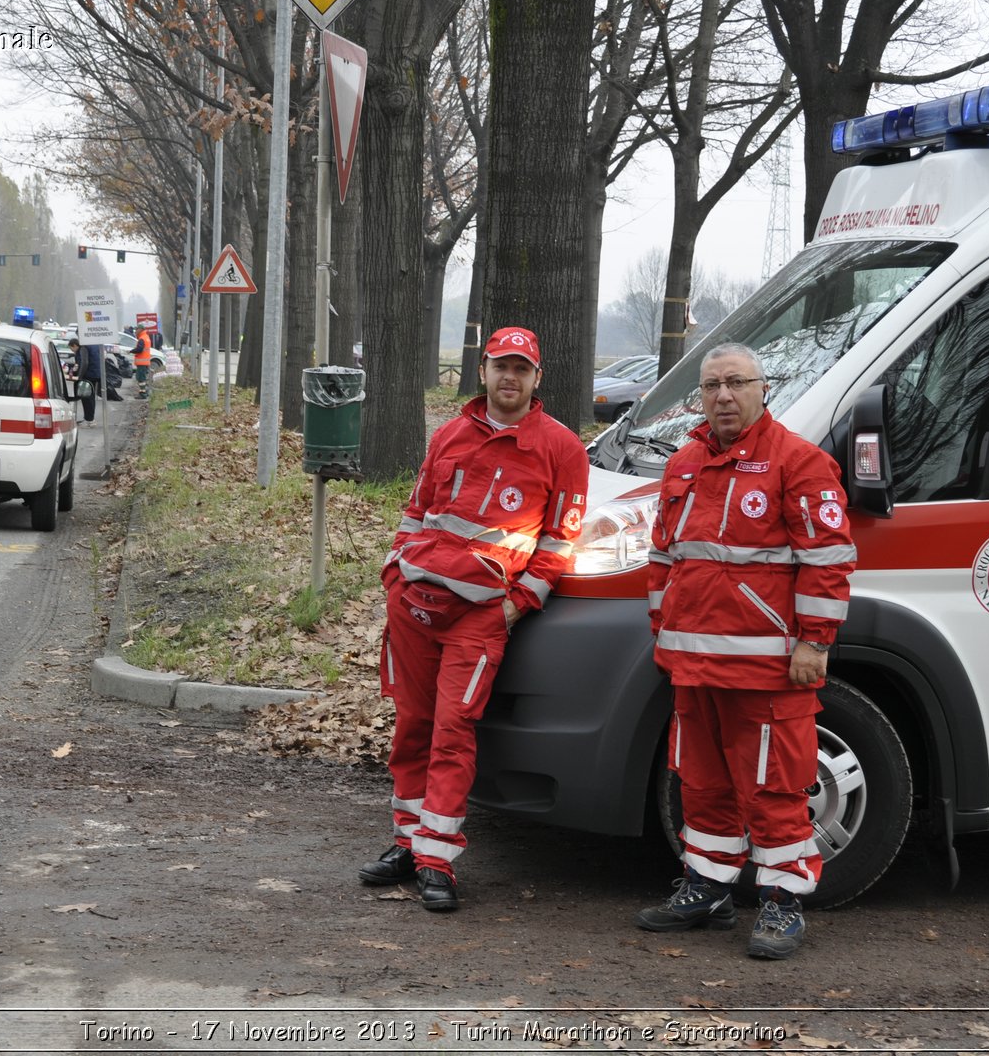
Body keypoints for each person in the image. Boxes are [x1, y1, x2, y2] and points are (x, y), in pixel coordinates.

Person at [636, 343, 856, 960]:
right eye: (711, 386)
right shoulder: (682, 464)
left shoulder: (800, 463)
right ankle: (708, 886)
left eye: (736, 383)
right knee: (702, 783)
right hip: (693, 666)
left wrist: (815, 642)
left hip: (767, 670)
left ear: (763, 389)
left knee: (773, 789)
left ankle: (783, 903)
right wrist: (663, 630)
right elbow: (663, 560)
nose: (723, 396)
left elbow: (828, 561)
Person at [360, 327, 589, 912]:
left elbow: (560, 543)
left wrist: (516, 605)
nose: (509, 377)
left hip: (478, 618)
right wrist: (395, 571)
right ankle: (408, 844)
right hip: (413, 606)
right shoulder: (450, 434)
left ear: (537, 379)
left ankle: (437, 858)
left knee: (452, 730)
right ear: (483, 370)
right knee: (412, 724)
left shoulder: (562, 449)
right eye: (499, 366)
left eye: (521, 368)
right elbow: (417, 511)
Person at [73, 337, 103, 424]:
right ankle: (89, 419)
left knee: (86, 398)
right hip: (96, 373)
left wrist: (79, 376)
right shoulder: (95, 344)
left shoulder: (84, 346)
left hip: (88, 375)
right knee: (90, 397)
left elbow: (84, 362)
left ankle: (89, 420)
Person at [132, 326, 153, 398]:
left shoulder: (142, 338)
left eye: (136, 329)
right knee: (143, 378)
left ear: (140, 329)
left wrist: (132, 351)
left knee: (140, 378)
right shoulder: (146, 337)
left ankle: (142, 394)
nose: (135, 331)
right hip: (145, 361)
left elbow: (139, 349)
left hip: (142, 362)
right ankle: (145, 392)